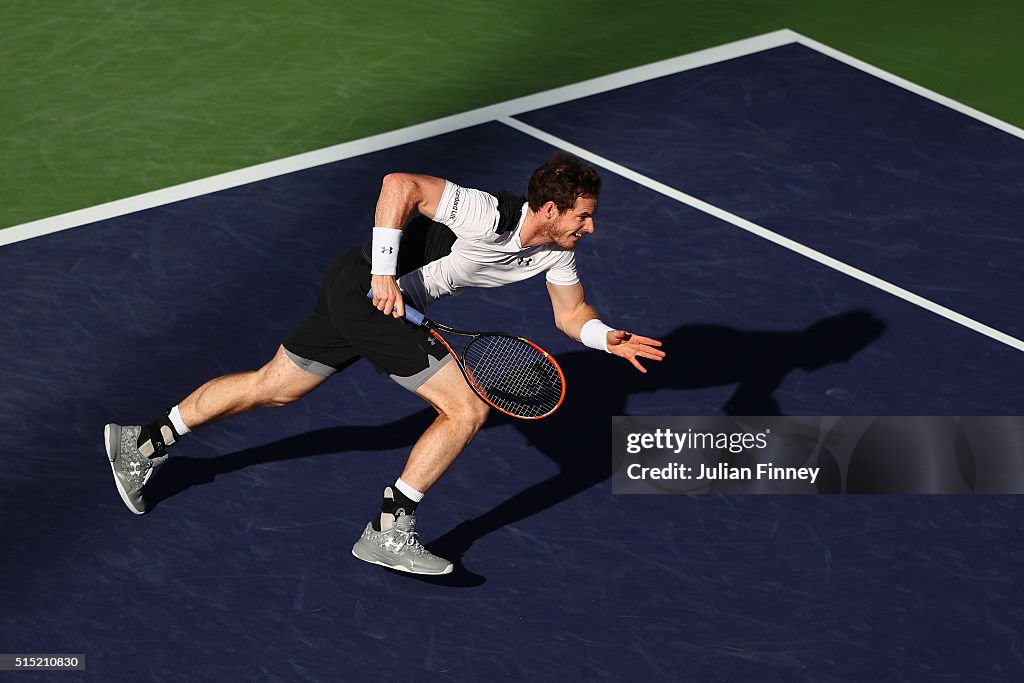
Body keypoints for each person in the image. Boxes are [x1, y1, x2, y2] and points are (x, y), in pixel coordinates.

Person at [103, 152, 666, 575]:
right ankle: (389, 529)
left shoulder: (556, 250)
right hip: (370, 291)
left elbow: (571, 314)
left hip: (367, 294)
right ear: (550, 208)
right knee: (466, 410)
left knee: (273, 387)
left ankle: (141, 443)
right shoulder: (487, 214)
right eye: (584, 216)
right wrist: (382, 273)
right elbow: (399, 184)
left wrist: (604, 336)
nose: (590, 228)